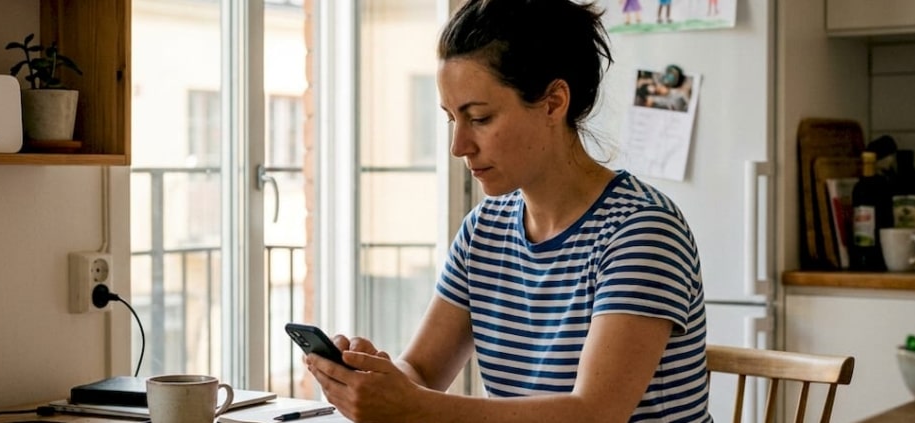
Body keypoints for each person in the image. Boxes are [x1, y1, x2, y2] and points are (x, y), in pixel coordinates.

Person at [303, 1, 711, 422]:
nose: (459, 146)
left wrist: (412, 404)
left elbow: (594, 414)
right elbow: (422, 371)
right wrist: (382, 379)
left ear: (554, 103)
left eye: (479, 118)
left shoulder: (643, 231)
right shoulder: (485, 228)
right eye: (451, 119)